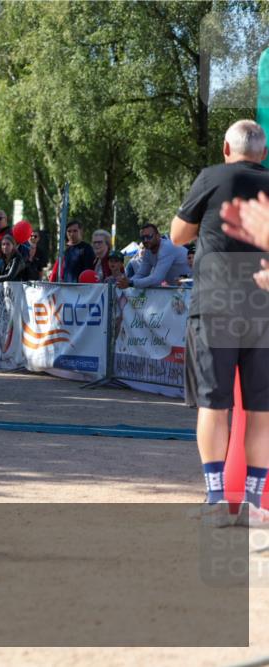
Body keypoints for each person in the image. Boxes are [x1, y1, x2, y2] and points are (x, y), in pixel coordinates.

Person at [168, 119, 269, 526]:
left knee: (214, 404)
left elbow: (177, 235)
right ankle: (255, 505)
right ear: (262, 154)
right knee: (262, 410)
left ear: (227, 149)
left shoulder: (211, 177)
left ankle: (216, 501)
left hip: (216, 305)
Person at [117, 224, 191, 288]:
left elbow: (156, 279)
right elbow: (142, 274)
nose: (145, 240)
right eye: (143, 238)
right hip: (182, 288)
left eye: (149, 236)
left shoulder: (166, 248)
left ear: (158, 236)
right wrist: (126, 282)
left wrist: (131, 283)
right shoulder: (148, 251)